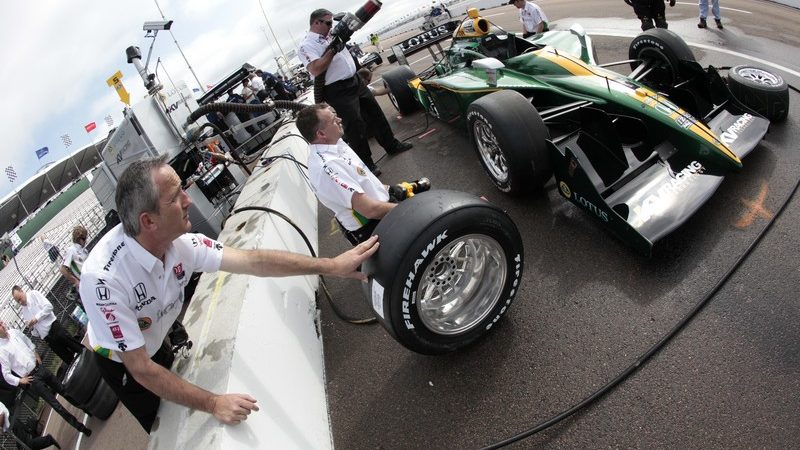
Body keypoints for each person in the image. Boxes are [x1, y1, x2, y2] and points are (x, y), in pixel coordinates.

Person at [79, 155, 380, 433]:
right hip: (122, 361)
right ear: (148, 221)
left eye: (183, 189)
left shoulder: (183, 245)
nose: (187, 200)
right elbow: (141, 369)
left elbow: (254, 261)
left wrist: (331, 266)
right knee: (162, 423)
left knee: (170, 368)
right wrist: (213, 402)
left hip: (156, 330)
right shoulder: (103, 280)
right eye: (175, 197)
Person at [298, 8, 412, 177]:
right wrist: (333, 49)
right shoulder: (307, 45)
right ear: (316, 23)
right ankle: (367, 164)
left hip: (355, 80)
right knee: (355, 126)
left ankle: (392, 145)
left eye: (332, 23)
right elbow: (315, 69)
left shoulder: (332, 34)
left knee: (375, 114)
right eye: (328, 23)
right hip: (337, 89)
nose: (331, 26)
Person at [298, 104, 396, 244]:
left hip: (381, 209)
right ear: (321, 134)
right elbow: (370, 210)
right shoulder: (327, 167)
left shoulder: (335, 142)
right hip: (371, 226)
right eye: (333, 120)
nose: (339, 119)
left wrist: (388, 190)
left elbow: (362, 179)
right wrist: (407, 209)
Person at [0, 321, 92, 436]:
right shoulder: (1, 351)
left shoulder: (14, 332)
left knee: (64, 390)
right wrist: (19, 380)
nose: (2, 325)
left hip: (40, 368)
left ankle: (87, 409)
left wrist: (35, 353)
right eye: (0, 325)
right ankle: (80, 427)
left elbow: (28, 342)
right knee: (56, 405)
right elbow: (6, 374)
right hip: (33, 379)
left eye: (1, 322)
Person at [11, 286, 84, 365]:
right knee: (67, 358)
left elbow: (49, 307)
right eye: (18, 301)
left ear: (22, 291)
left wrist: (36, 318)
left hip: (54, 328)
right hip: (47, 338)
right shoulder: (24, 313)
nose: (20, 302)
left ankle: (92, 358)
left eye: (20, 298)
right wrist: (31, 328)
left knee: (75, 346)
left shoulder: (34, 295)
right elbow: (36, 333)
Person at [60, 226, 88, 290]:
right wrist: (75, 281)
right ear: (81, 239)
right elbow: (62, 269)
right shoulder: (71, 250)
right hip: (84, 280)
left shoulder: (84, 250)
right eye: (85, 238)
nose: (86, 240)